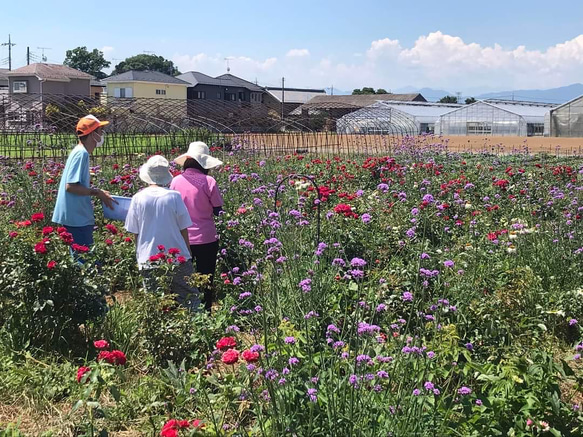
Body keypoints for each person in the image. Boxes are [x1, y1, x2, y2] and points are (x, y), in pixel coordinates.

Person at [124, 155, 200, 310]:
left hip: (149, 257)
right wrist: (188, 252)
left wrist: (139, 253)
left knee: (154, 299)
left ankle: (158, 331)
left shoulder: (138, 198)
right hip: (177, 257)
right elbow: (183, 228)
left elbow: (135, 231)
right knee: (189, 295)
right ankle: (197, 327)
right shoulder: (174, 196)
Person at [171, 142, 224, 311]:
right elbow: (218, 211)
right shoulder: (209, 181)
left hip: (181, 238)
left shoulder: (175, 181)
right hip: (206, 238)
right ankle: (205, 311)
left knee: (183, 279)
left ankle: (185, 312)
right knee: (206, 278)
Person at [52, 115, 116, 248]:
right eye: (100, 131)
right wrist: (97, 192)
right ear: (93, 134)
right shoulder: (82, 154)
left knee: (81, 258)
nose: (102, 135)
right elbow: (71, 186)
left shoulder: (78, 151)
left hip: (74, 216)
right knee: (85, 260)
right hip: (77, 218)